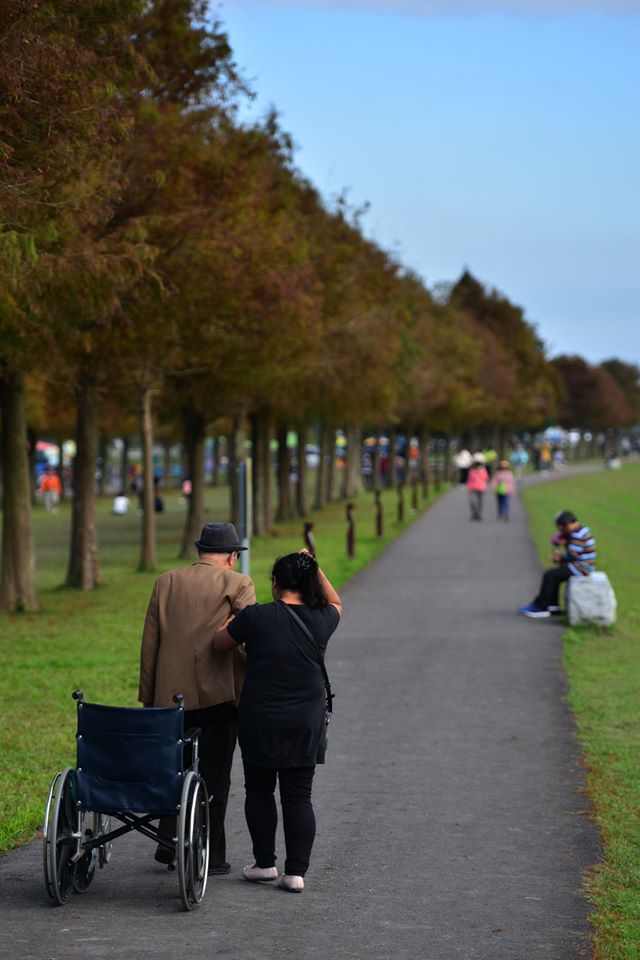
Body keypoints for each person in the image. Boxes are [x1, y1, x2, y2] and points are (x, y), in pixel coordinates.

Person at [213, 549, 341, 893]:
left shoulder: (256, 617)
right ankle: (295, 873)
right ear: (309, 582)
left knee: (259, 789)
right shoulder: (323, 618)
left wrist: (229, 623)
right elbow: (336, 602)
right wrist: (314, 565)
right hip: (305, 719)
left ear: (274, 583)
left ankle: (265, 864)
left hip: (260, 717)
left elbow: (219, 642)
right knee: (299, 796)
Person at [139, 522, 256, 874]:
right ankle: (213, 854)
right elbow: (250, 637)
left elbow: (150, 645)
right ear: (232, 557)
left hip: (168, 697)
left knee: (172, 769)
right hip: (221, 695)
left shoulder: (165, 581)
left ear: (200, 551)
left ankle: (167, 842)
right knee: (215, 777)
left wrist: (149, 697)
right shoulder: (239, 584)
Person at [518, 510, 597, 618]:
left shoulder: (577, 535)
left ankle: (542, 607)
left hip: (581, 568)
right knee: (555, 576)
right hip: (584, 566)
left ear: (567, 525)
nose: (561, 532)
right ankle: (553, 606)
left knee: (550, 575)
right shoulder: (582, 529)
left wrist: (558, 557)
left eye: (561, 529)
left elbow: (572, 555)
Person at [466, 455, 489, 521]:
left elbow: (486, 478)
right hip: (473, 488)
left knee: (480, 502)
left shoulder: (483, 471)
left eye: (478, 465)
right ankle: (474, 513)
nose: (477, 466)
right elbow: (469, 479)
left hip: (481, 488)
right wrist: (468, 487)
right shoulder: (471, 471)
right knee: (472, 501)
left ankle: (478, 514)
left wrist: (480, 472)